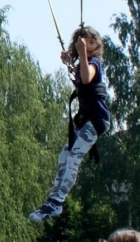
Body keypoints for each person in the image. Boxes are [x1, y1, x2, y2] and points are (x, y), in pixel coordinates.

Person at [29, 26, 110, 222]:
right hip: (85, 121)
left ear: (96, 45)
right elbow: (80, 78)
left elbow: (87, 77)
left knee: (74, 158)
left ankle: (57, 200)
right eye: (84, 41)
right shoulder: (84, 63)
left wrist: (81, 53)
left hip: (96, 120)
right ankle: (53, 199)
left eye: (92, 41)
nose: (88, 44)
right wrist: (69, 62)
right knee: (63, 157)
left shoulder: (94, 63)